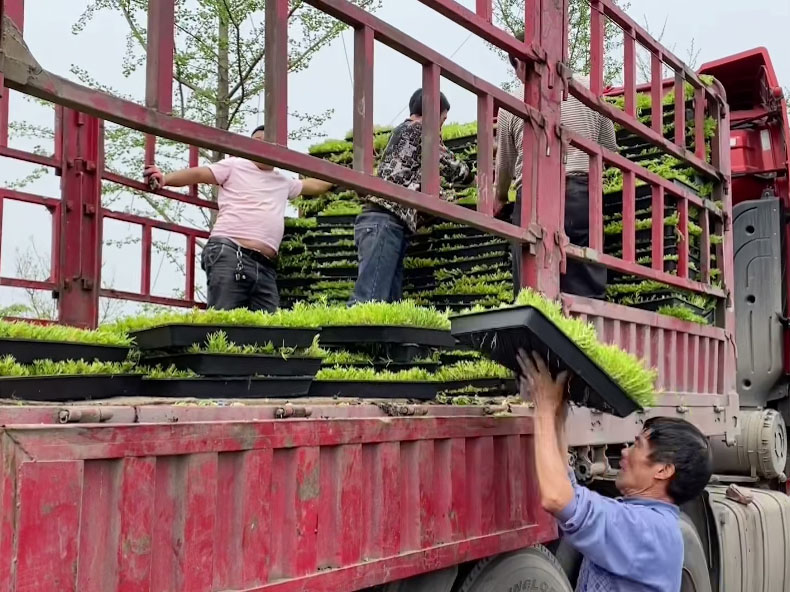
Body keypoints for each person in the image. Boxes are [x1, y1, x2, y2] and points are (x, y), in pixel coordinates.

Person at [518, 349, 712, 592]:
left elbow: (557, 498)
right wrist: (557, 413)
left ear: (663, 470)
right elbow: (570, 491)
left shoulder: (647, 531)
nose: (624, 451)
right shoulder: (650, 523)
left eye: (637, 445)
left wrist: (543, 409)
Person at [143, 125, 334, 313]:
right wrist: (165, 178)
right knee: (224, 322)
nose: (264, 148)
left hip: (265, 265)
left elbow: (313, 186)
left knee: (267, 330)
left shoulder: (282, 181)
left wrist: (341, 179)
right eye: (257, 143)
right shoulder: (236, 165)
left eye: (270, 143)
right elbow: (199, 173)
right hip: (231, 251)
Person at [497, 31, 617, 299]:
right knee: (585, 283)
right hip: (583, 196)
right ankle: (587, 334)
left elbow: (504, 168)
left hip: (531, 201)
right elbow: (609, 150)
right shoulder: (589, 89)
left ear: (518, 63)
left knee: (532, 286)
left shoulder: (510, 103)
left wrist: (499, 198)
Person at [349, 88, 474, 305]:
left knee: (387, 301)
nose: (441, 128)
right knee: (369, 299)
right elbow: (452, 166)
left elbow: (414, 177)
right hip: (384, 221)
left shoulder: (403, 133)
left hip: (385, 222)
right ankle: (351, 337)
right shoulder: (419, 131)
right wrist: (478, 181)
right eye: (442, 121)